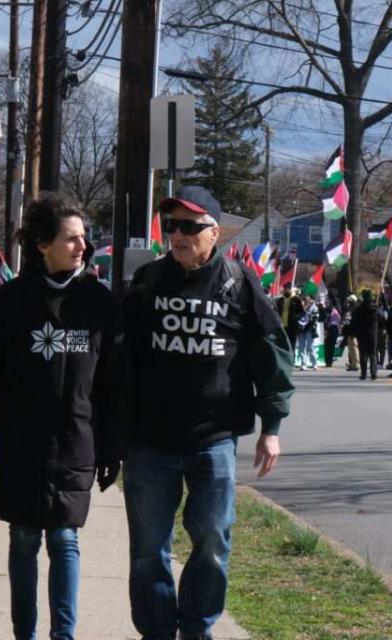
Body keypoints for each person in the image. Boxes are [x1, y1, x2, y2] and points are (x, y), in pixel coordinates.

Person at [120, 186, 294, 640]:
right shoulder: (147, 282)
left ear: (213, 233)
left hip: (213, 439)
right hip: (149, 441)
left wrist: (271, 428)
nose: (177, 234)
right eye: (171, 225)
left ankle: (197, 628)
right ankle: (157, 631)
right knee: (147, 549)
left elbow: (271, 354)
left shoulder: (239, 281)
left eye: (189, 227)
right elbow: (119, 357)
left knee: (213, 540)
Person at [0, 193, 120, 640]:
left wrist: (111, 447)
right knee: (24, 538)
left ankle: (62, 636)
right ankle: (23, 634)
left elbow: (110, 383)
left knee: (65, 539)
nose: (82, 247)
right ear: (44, 244)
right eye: (72, 239)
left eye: (84, 238)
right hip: (19, 445)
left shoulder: (98, 303)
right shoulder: (8, 303)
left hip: (76, 444)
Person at [350, 288, 381, 380]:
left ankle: (364, 374)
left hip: (362, 334)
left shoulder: (358, 309)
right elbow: (382, 320)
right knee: (373, 354)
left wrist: (352, 332)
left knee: (363, 354)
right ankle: (373, 373)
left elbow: (353, 322)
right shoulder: (376, 309)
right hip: (373, 334)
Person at [276, 282, 304, 364]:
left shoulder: (296, 300)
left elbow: (302, 312)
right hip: (282, 326)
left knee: (292, 344)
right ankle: (284, 360)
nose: (286, 290)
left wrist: (296, 318)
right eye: (285, 289)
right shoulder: (280, 300)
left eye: (287, 289)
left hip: (292, 327)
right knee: (283, 344)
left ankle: (292, 361)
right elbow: (277, 311)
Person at [296, 295, 319, 371]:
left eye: (306, 301)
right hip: (301, 329)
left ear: (309, 301)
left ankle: (314, 363)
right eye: (303, 301)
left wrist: (309, 317)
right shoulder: (299, 308)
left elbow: (316, 317)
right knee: (301, 347)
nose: (305, 302)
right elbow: (296, 316)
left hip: (309, 328)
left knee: (310, 346)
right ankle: (303, 364)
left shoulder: (314, 308)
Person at [341, 294, 359, 371]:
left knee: (354, 348)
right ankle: (352, 364)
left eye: (349, 301)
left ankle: (356, 364)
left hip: (354, 331)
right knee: (350, 348)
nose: (348, 302)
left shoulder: (356, 309)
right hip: (348, 331)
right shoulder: (348, 309)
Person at [322, 298, 341, 368]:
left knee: (331, 347)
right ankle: (327, 361)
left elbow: (338, 320)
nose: (326, 304)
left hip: (333, 329)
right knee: (326, 346)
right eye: (326, 303)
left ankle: (329, 362)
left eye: (328, 303)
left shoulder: (334, 311)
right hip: (327, 330)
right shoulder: (325, 311)